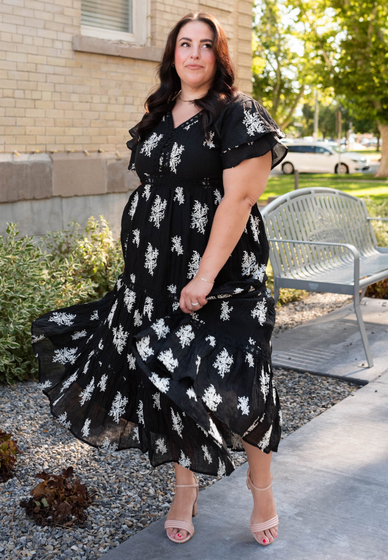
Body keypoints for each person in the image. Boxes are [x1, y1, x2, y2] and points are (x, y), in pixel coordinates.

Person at [31, 10, 288, 548]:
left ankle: (261, 487)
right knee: (168, 384)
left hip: (220, 276)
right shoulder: (159, 111)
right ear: (173, 54)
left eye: (205, 45)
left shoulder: (239, 115)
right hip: (152, 275)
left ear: (220, 57)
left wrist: (204, 277)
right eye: (184, 44)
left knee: (243, 380)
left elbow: (239, 201)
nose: (193, 54)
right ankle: (184, 488)